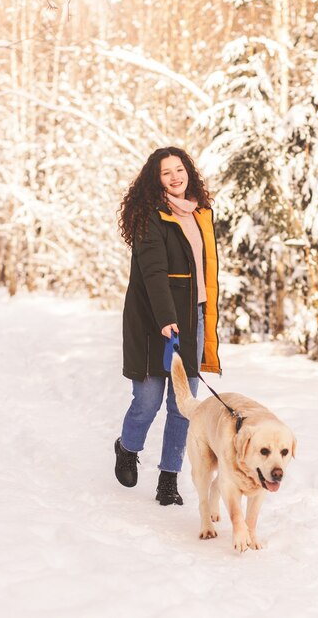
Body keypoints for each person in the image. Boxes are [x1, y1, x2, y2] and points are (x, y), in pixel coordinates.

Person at [115, 146, 221, 506]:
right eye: (166, 172)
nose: (176, 177)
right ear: (155, 179)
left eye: (180, 169)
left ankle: (168, 479)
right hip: (152, 322)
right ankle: (128, 447)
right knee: (147, 401)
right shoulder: (150, 215)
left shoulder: (199, 213)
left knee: (183, 404)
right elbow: (154, 273)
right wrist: (166, 319)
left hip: (192, 318)